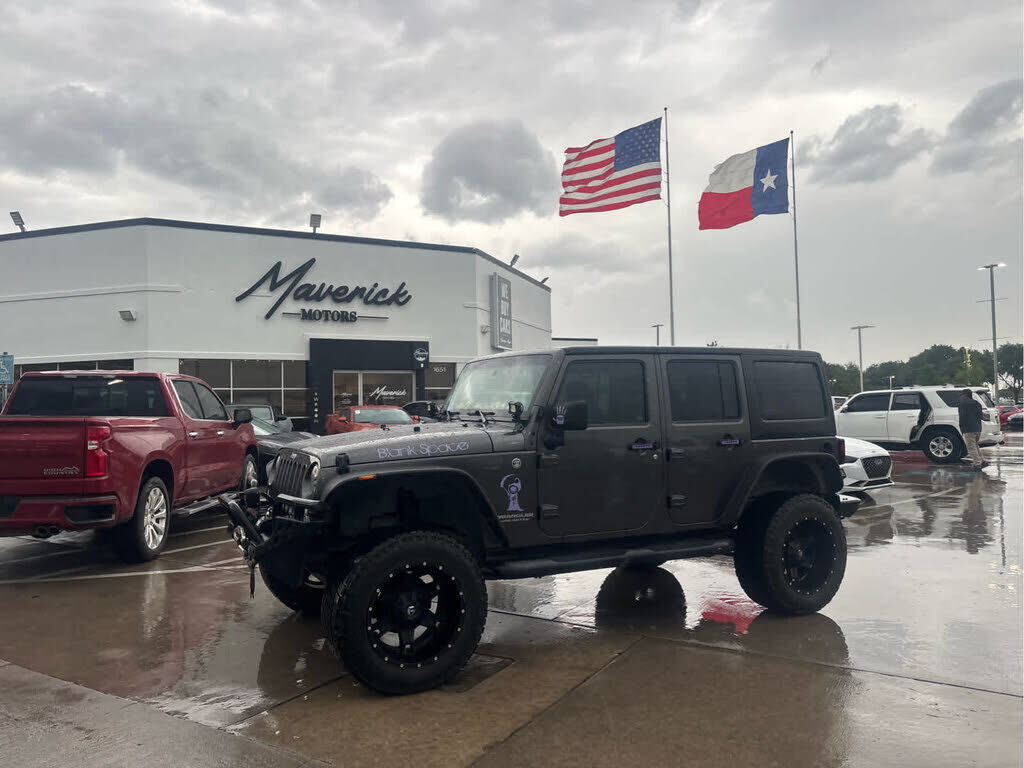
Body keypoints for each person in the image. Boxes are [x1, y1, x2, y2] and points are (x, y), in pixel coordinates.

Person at [956, 389, 988, 469]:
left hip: (968, 428)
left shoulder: (963, 404)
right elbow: (981, 416)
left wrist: (961, 428)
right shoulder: (977, 403)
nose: (961, 397)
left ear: (965, 395)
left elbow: (962, 417)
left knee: (971, 447)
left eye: (962, 395)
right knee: (975, 445)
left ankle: (977, 464)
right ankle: (982, 461)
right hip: (978, 428)